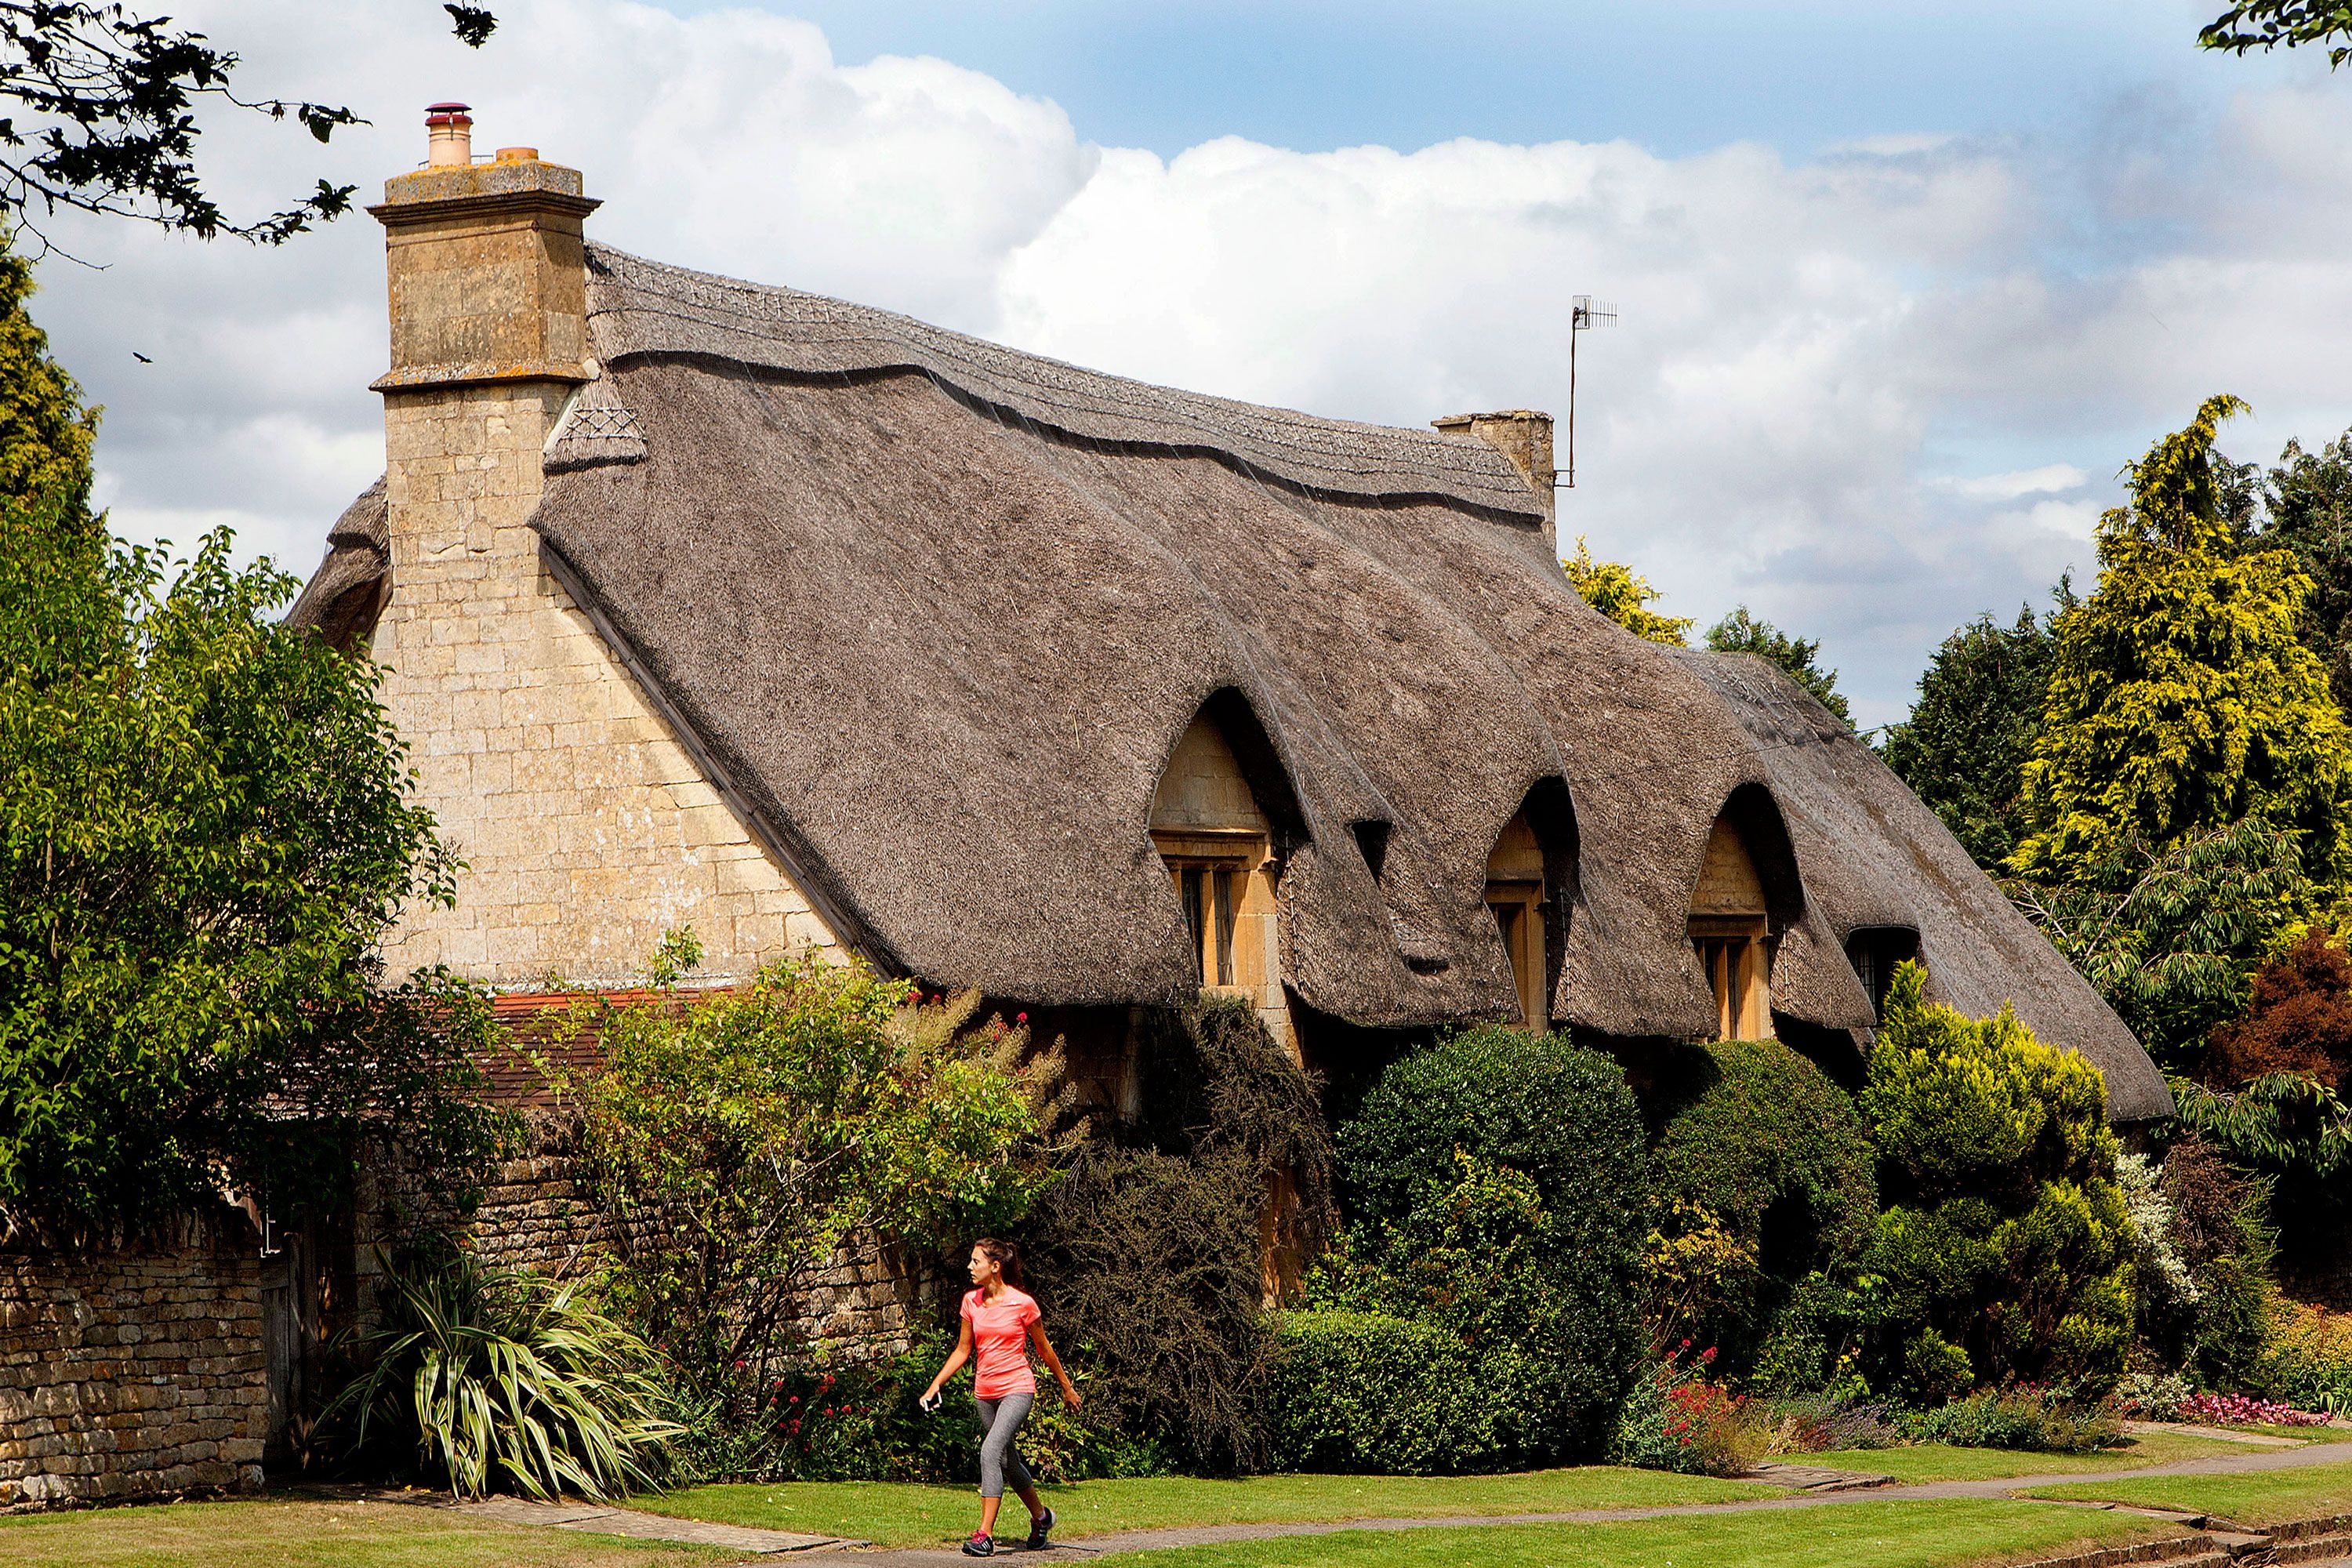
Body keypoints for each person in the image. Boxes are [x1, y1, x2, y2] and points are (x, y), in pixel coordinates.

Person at [920, 1237, 1081, 1557]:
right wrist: (935, 1384)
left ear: (995, 1267)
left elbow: (1044, 1349)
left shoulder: (1022, 1303)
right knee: (1007, 1462)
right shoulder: (970, 1302)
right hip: (985, 1392)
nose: (969, 1267)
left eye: (976, 1262)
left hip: (1018, 1388)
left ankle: (984, 1535)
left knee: (990, 1451)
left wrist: (1066, 1386)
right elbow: (963, 1350)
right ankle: (1042, 1517)